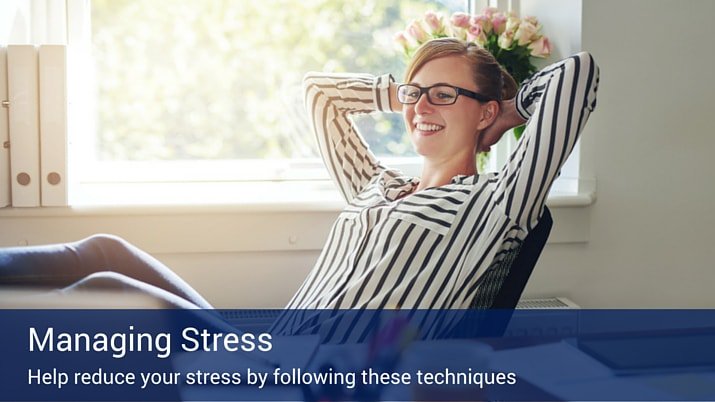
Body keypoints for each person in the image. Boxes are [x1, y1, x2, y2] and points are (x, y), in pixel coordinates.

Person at [0, 38, 599, 338]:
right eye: (416, 94)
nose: (422, 107)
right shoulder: (375, 185)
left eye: (446, 95)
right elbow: (318, 94)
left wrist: (506, 110)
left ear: (485, 112)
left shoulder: (495, 203)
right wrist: (402, 91)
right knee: (108, 250)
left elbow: (580, 76)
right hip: (263, 355)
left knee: (107, 286)